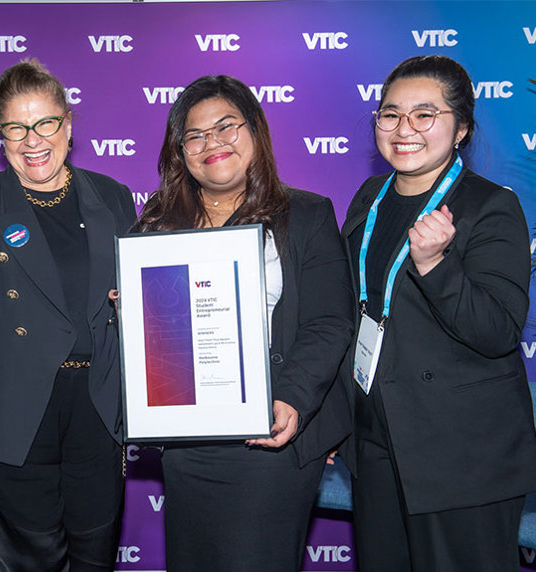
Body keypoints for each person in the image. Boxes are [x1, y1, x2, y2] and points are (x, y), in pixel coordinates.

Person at [0, 59, 136, 571]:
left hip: (97, 411)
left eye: (45, 124)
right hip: (12, 416)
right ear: (1, 135)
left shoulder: (114, 198)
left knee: (93, 557)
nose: (32, 140)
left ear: (68, 124)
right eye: (16, 127)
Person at [132, 75, 353, 571]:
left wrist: (293, 397)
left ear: (255, 131)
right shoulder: (158, 224)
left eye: (226, 127)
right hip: (189, 439)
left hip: (273, 435)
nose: (213, 143)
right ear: (180, 150)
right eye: (195, 135)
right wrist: (131, 308)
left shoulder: (307, 214)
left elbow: (328, 321)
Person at [338, 55, 536, 571]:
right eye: (390, 114)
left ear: (461, 129)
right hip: (377, 442)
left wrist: (436, 266)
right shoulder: (369, 198)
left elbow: (497, 330)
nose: (404, 129)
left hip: (460, 452)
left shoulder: (491, 205)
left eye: (425, 114)